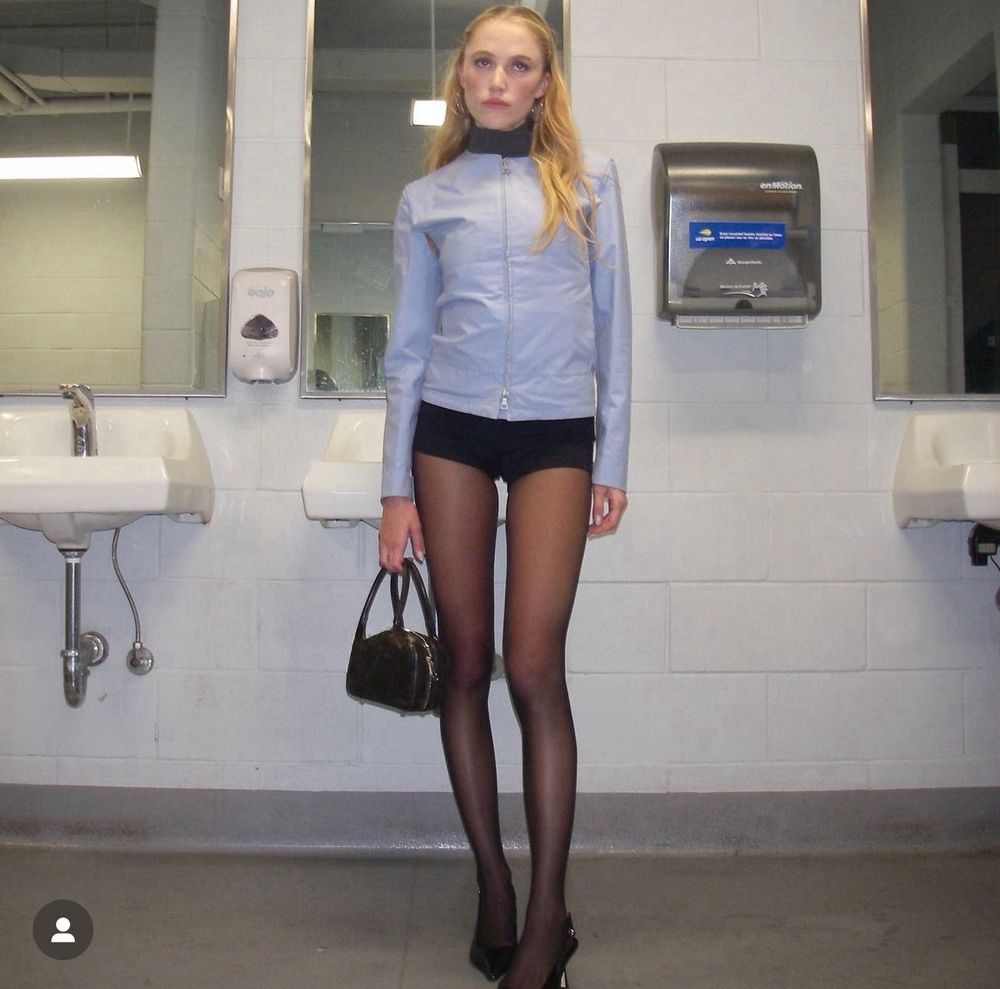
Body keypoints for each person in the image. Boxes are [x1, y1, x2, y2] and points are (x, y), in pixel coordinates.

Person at [378, 5, 631, 987]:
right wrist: (394, 487)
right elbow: (405, 352)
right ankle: (494, 884)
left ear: (543, 83)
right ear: (461, 75)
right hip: (449, 430)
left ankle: (548, 910)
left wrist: (613, 460)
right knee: (464, 663)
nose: (497, 79)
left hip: (556, 434)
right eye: (482, 61)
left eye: (518, 65)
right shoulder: (425, 198)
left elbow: (613, 335)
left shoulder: (590, 185)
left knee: (532, 667)